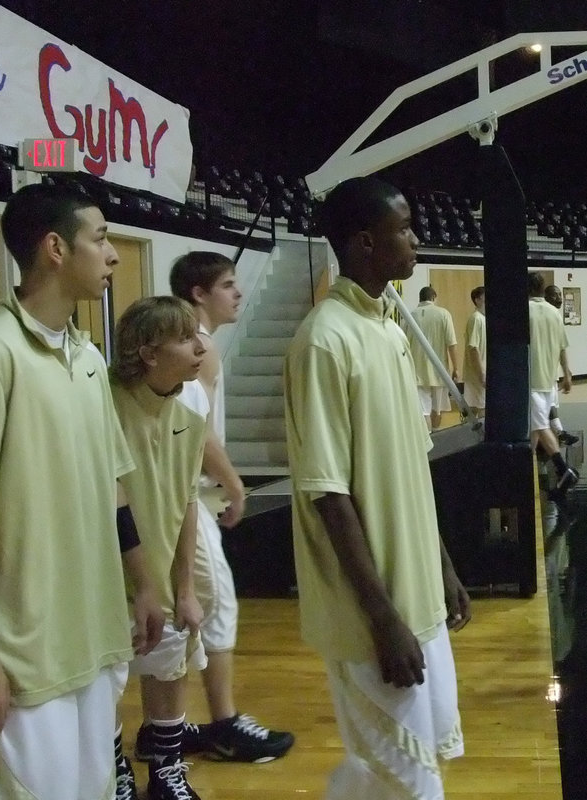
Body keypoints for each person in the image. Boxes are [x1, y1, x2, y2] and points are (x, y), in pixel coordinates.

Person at [0, 182, 163, 800]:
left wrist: (144, 582)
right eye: (101, 239)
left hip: (94, 640)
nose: (111, 255)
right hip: (22, 661)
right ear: (55, 248)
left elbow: (111, 488)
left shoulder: (86, 358)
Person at [284, 176, 471, 800]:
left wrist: (442, 567)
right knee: (406, 783)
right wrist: (383, 618)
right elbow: (328, 494)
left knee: (398, 771)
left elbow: (413, 473)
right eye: (406, 227)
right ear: (366, 241)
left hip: (418, 596)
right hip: (376, 612)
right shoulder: (323, 339)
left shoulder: (390, 328)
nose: (417, 239)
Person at [134, 251, 294, 763]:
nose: (238, 294)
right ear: (199, 294)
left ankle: (159, 728)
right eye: (228, 285)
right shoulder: (197, 348)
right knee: (213, 604)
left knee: (191, 610)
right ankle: (222, 723)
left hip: (181, 497)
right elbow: (196, 435)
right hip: (184, 498)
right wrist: (237, 485)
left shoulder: (198, 346)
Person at [109, 296, 210, 800]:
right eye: (187, 337)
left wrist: (186, 586)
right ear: (149, 352)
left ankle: (166, 768)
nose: (200, 346)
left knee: (171, 665)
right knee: (105, 683)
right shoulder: (104, 403)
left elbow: (188, 502)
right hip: (105, 581)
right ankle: (114, 767)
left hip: (164, 578)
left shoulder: (190, 419)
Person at [529, 272, 578, 502]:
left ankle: (562, 467)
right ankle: (525, 470)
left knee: (539, 426)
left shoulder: (523, 312)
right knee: (534, 426)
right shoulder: (554, 314)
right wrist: (566, 374)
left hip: (532, 379)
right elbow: (562, 348)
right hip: (549, 380)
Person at [406, 286, 459, 430]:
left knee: (423, 412)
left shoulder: (410, 315)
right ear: (434, 297)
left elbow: (402, 345)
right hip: (439, 371)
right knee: (437, 410)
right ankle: (436, 440)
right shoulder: (443, 314)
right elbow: (451, 343)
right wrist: (456, 368)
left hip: (416, 371)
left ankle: (427, 443)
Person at [544, 284, 578, 447]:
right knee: (544, 406)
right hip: (539, 370)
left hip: (549, 370)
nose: (560, 298)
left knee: (550, 403)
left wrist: (566, 371)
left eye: (560, 295)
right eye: (555, 295)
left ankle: (558, 432)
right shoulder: (543, 315)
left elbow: (560, 347)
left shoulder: (555, 316)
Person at [462, 285, 486, 418]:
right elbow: (473, 347)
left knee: (476, 407)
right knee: (481, 407)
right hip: (477, 372)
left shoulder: (483, 318)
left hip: (479, 371)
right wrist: (481, 372)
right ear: (477, 300)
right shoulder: (476, 318)